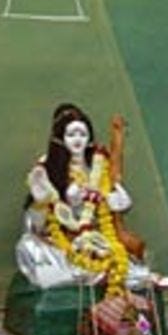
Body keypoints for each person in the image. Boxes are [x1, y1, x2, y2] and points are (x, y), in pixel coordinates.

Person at [16, 102, 148, 295]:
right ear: (61, 139)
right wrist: (43, 202)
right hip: (62, 241)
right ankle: (91, 276)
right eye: (71, 135)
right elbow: (35, 225)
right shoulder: (48, 168)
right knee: (26, 246)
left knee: (118, 257)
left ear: (89, 138)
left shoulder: (100, 166)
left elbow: (110, 211)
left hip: (96, 237)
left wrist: (120, 202)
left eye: (82, 134)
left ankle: (106, 274)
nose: (77, 140)